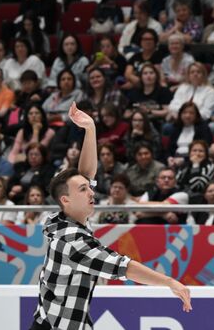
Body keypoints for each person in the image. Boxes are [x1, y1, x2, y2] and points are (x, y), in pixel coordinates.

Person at [30, 102, 191, 329]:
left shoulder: (59, 220)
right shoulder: (73, 241)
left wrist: (90, 129)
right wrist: (170, 282)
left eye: (90, 187)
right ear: (65, 200)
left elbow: (84, 174)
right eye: (84, 190)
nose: (92, 191)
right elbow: (123, 267)